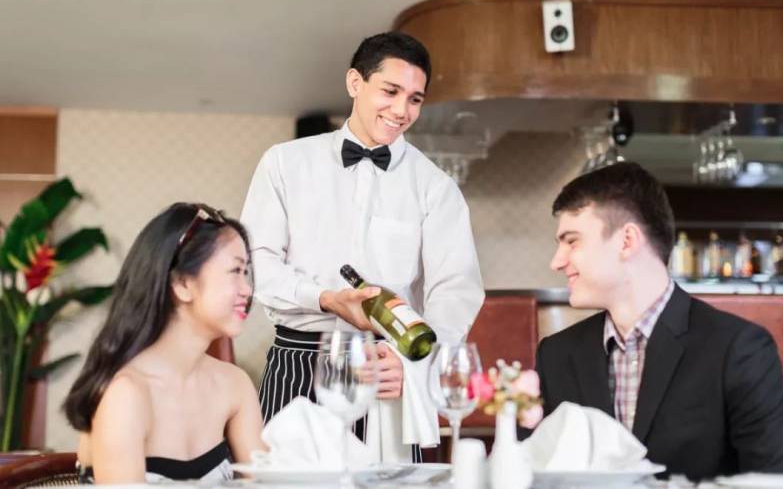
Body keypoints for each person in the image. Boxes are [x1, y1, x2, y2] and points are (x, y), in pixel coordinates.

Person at [240, 31, 484, 460]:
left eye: (415, 99)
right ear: (355, 82)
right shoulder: (283, 163)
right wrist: (326, 298)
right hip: (299, 362)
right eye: (390, 91)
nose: (401, 110)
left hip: (384, 366)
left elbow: (455, 289)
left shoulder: (436, 187)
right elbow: (256, 263)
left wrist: (416, 364)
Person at [534, 162, 783, 481]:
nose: (557, 261)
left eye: (572, 241)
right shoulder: (555, 355)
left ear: (627, 241)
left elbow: (781, 480)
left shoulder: (738, 349)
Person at [63, 203, 266, 484]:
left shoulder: (235, 384)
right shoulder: (125, 393)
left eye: (247, 273)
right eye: (235, 271)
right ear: (183, 283)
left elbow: (267, 482)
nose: (247, 289)